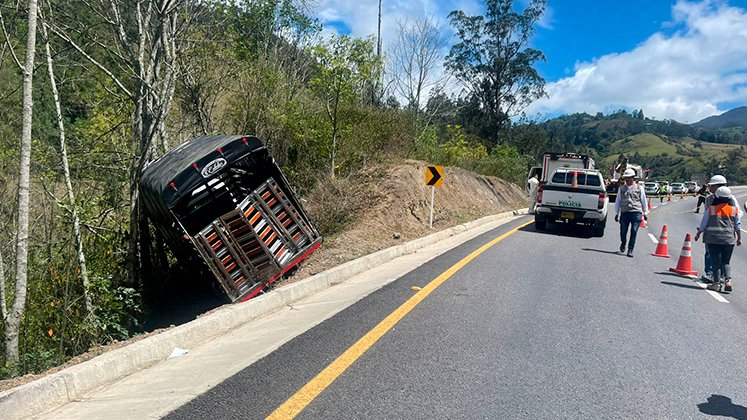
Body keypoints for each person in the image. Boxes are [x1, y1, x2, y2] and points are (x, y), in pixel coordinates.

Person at [695, 186, 742, 292]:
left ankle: (716, 284)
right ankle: (728, 281)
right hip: (729, 240)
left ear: (716, 197)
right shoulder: (734, 210)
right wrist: (739, 238)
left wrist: (698, 234)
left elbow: (703, 224)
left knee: (715, 261)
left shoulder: (711, 209)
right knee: (726, 262)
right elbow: (737, 226)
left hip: (713, 239)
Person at [614, 168, 649, 257]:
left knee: (634, 231)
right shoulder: (621, 189)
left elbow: (643, 200)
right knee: (623, 231)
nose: (627, 179)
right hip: (625, 213)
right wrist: (616, 213)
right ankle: (623, 242)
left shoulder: (639, 188)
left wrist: (645, 212)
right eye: (626, 178)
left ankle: (630, 249)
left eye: (629, 177)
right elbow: (618, 201)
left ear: (633, 178)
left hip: (636, 212)